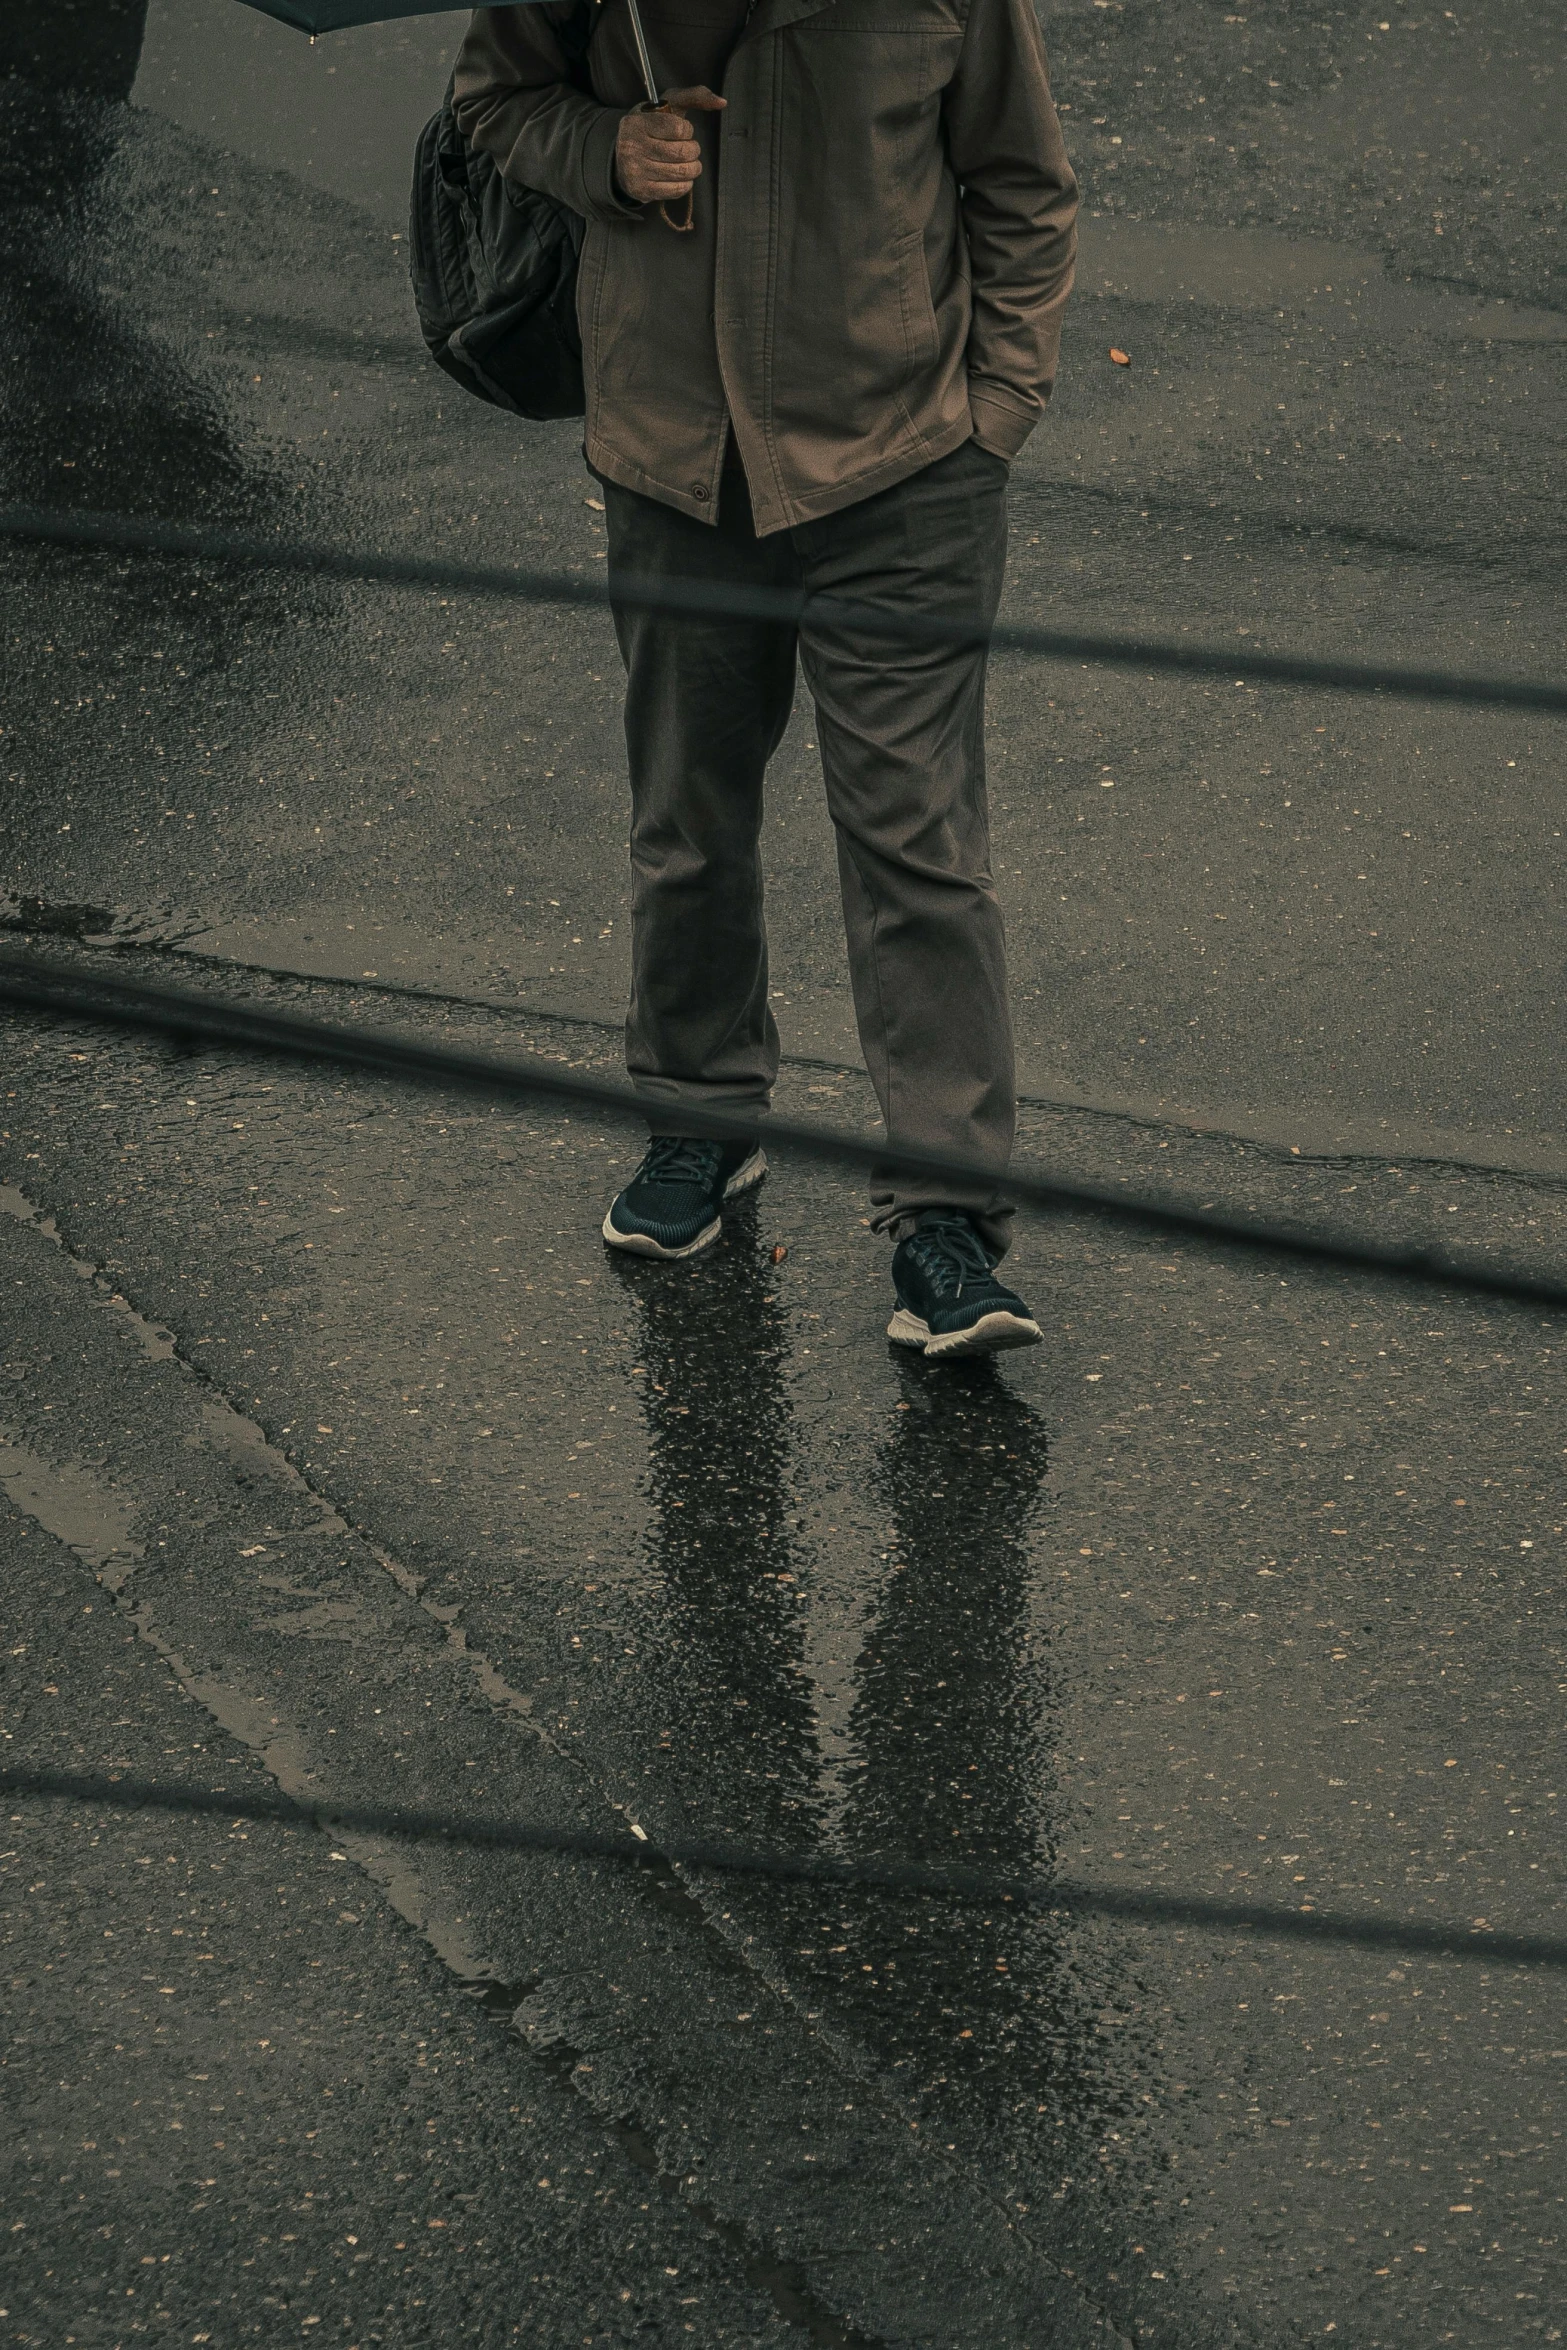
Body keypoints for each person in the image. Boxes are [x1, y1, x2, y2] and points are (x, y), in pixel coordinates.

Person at [453, 0, 1077, 1360]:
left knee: (915, 836)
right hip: (677, 456)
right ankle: (700, 1117)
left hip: (903, 463)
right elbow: (493, 107)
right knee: (688, 817)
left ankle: (947, 1220)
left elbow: (1021, 178)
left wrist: (997, 411)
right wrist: (609, 148)